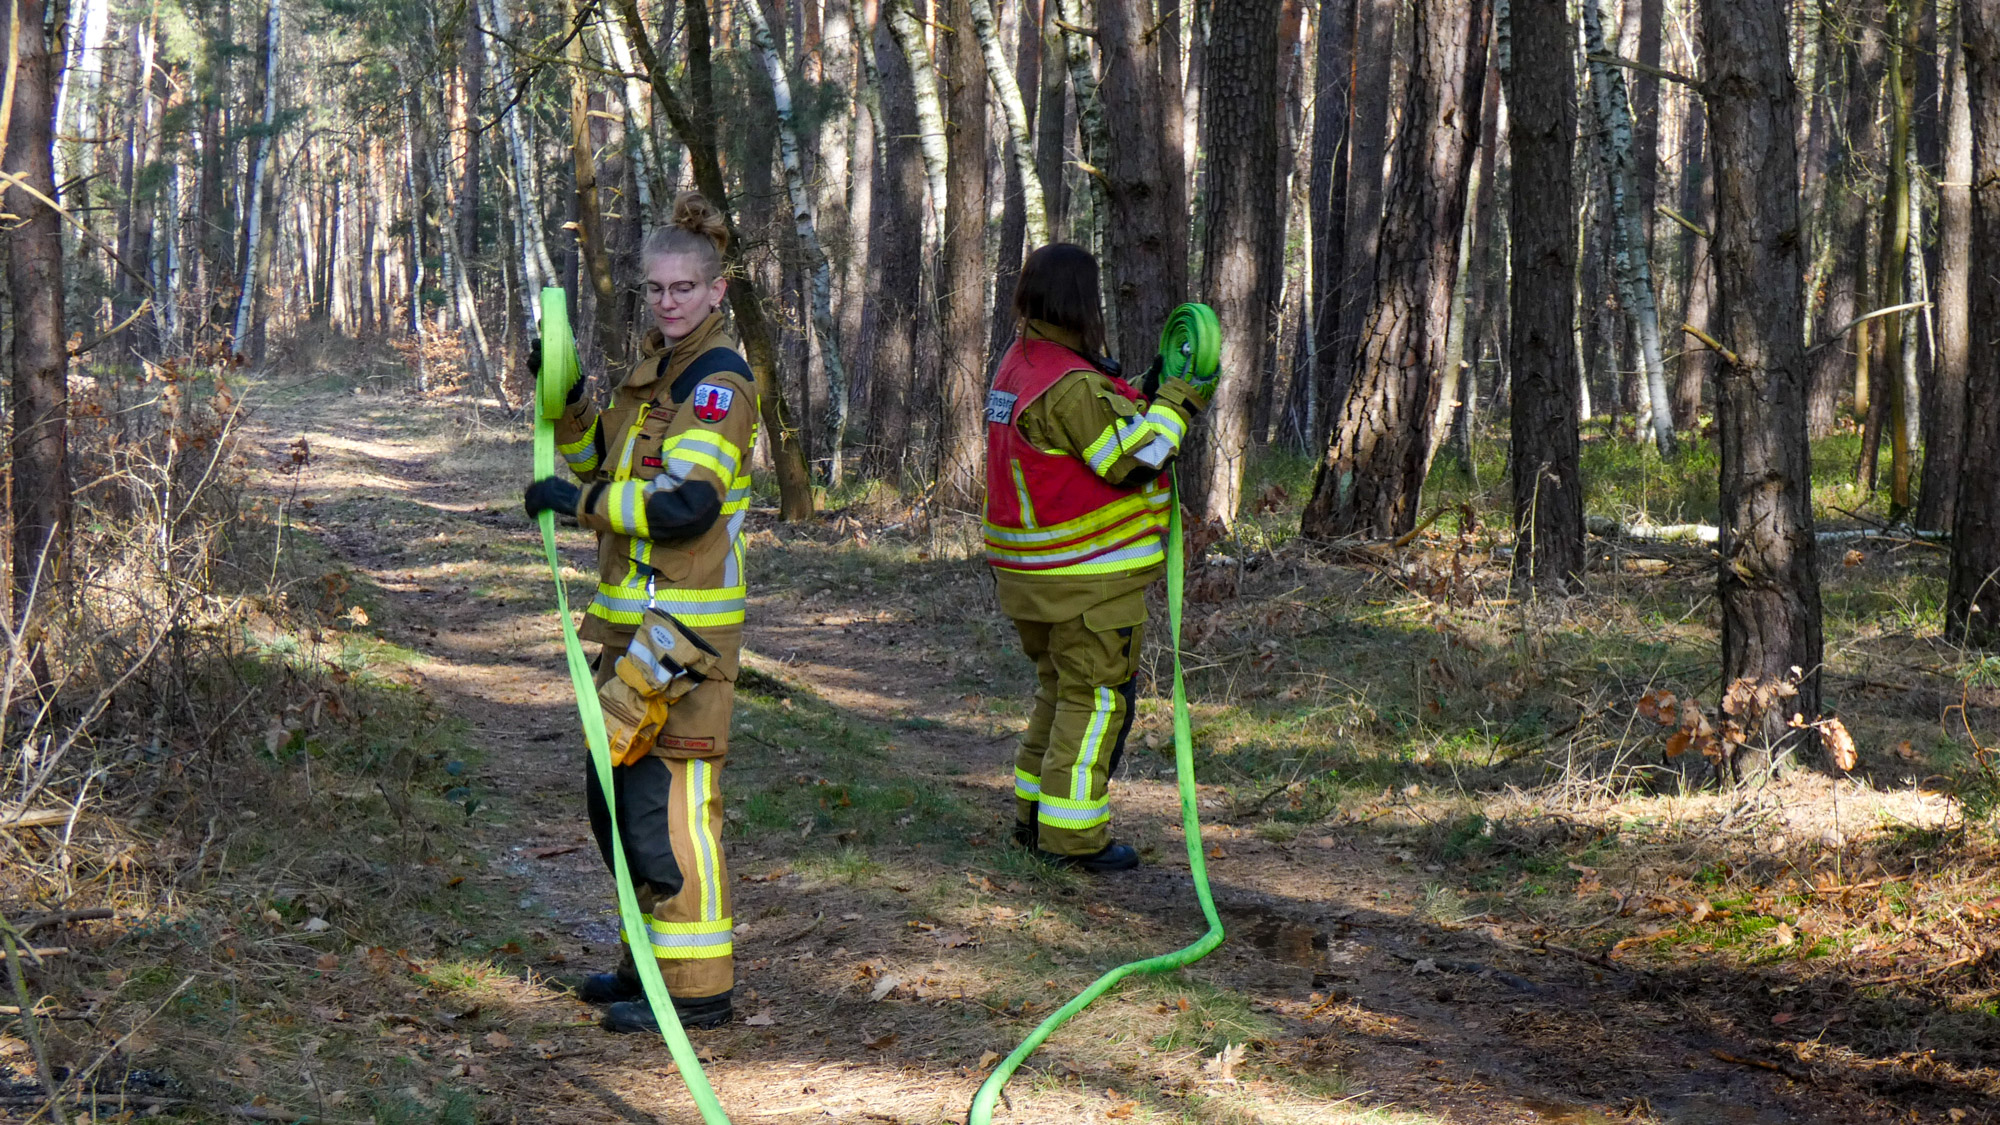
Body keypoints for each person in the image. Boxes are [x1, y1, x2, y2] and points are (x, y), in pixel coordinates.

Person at [523, 192, 756, 1032]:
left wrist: (578, 500)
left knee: (671, 811)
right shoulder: (652, 372)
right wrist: (573, 395)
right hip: (629, 632)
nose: (668, 301)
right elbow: (602, 457)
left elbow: (686, 504)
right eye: (656, 288)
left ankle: (698, 994)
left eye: (683, 288)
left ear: (716, 290)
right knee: (613, 801)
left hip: (682, 640)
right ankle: (647, 965)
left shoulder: (718, 385)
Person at [983, 244, 1214, 873]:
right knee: (1096, 704)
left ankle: (1033, 820)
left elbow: (1090, 423)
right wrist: (1179, 401)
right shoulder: (1072, 384)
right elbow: (1132, 457)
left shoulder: (1021, 364)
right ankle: (1073, 840)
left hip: (1030, 581)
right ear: (1083, 301)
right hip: (1085, 583)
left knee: (1059, 696)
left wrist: (1142, 389)